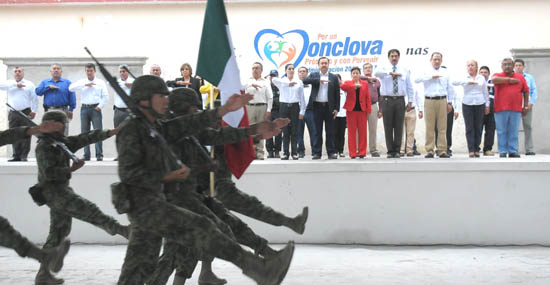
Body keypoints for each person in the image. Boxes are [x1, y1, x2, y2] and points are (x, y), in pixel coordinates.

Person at [114, 75, 294, 285]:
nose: (166, 100)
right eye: (160, 96)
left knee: (199, 234)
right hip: (146, 206)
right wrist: (167, 176)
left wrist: (228, 113)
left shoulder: (157, 127)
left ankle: (260, 269)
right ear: (144, 99)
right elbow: (129, 174)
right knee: (144, 266)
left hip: (163, 202)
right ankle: (260, 269)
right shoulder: (132, 129)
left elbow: (192, 125)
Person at [31, 110, 129, 283]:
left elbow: (86, 137)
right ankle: (121, 230)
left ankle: (43, 274)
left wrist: (109, 133)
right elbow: (49, 173)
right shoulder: (44, 146)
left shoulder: (61, 142)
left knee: (58, 232)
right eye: (63, 123)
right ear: (53, 124)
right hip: (53, 192)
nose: (65, 127)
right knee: (88, 209)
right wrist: (70, 170)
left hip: (61, 190)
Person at [415, 52, 456, 158]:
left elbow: (450, 88)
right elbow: (416, 79)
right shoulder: (426, 71)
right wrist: (430, 76)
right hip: (429, 101)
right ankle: (429, 150)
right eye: (435, 59)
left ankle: (442, 150)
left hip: (442, 100)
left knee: (442, 127)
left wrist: (450, 102)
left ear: (441, 61)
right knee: (430, 127)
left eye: (438, 59)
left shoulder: (446, 72)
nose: (437, 61)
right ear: (431, 60)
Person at [375, 49, 414, 158]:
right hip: (387, 100)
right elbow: (376, 73)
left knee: (398, 126)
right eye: (392, 56)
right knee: (388, 126)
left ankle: (397, 150)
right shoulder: (383, 69)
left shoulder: (404, 70)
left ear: (399, 57)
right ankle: (390, 150)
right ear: (388, 57)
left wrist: (410, 101)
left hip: (400, 100)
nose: (394, 58)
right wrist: (389, 73)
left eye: (396, 56)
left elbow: (409, 86)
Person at [69, 63, 109, 161]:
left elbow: (105, 96)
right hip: (84, 109)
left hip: (95, 108)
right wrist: (84, 84)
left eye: (91, 70)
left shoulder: (100, 82)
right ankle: (86, 155)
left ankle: (99, 154)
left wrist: (100, 106)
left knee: (98, 132)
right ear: (85, 71)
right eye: (87, 71)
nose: (89, 72)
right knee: (85, 133)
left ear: (94, 71)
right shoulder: (82, 81)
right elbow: (70, 88)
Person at [303, 57, 341, 160]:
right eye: (322, 63)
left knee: (330, 131)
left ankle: (331, 152)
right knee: (316, 131)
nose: (324, 65)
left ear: (328, 64)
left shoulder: (333, 77)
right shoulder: (314, 75)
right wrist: (318, 80)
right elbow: (305, 80)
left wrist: (337, 108)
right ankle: (316, 153)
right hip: (316, 107)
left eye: (325, 63)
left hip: (329, 107)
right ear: (318, 65)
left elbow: (337, 94)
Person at [491, 58, 530, 158]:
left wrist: (525, 106)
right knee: (501, 130)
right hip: (500, 108)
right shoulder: (498, 75)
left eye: (509, 64)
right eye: (505, 64)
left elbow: (526, 91)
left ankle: (513, 151)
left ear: (513, 66)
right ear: (501, 66)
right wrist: (509, 80)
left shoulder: (520, 77)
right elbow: (493, 80)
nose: (507, 66)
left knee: (513, 130)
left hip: (516, 108)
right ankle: (503, 151)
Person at [452, 60, 490, 157]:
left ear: (476, 67)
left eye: (472, 65)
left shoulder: (481, 78)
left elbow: (485, 92)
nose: (470, 67)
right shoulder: (464, 77)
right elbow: (454, 82)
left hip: (480, 103)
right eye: (468, 65)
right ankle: (471, 149)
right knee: (469, 128)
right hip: (467, 103)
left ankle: (477, 148)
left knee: (478, 127)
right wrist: (466, 82)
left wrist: (487, 105)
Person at [0, 66, 38, 162]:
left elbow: (34, 99)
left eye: (19, 71)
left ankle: (24, 155)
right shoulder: (9, 83)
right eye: (15, 71)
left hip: (25, 111)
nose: (17, 73)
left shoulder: (29, 84)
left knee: (26, 133)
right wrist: (16, 86)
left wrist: (34, 110)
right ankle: (16, 155)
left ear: (23, 73)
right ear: (13, 74)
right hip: (13, 112)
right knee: (13, 134)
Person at [272, 64, 306, 160]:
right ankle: (286, 152)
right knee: (285, 131)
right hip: (284, 107)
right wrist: (287, 84)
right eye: (289, 69)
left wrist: (302, 111)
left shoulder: (299, 82)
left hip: (295, 106)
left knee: (294, 130)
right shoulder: (282, 81)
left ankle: (294, 152)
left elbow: (302, 98)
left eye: (292, 69)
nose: (291, 70)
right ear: (286, 71)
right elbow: (273, 80)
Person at [35, 64, 76, 135]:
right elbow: (38, 92)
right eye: (54, 69)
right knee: (49, 134)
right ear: (50, 71)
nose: (56, 70)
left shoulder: (67, 82)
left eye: (58, 69)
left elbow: (72, 96)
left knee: (63, 134)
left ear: (61, 71)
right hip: (49, 111)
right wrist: (48, 87)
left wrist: (71, 110)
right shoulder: (45, 82)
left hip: (63, 111)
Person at [243, 62, 273, 160]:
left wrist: (269, 109)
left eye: (257, 68)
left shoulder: (265, 82)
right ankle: (252, 152)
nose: (254, 70)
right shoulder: (247, 80)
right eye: (253, 68)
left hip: (262, 107)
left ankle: (260, 152)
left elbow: (270, 97)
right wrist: (251, 84)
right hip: (249, 107)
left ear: (261, 70)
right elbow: (240, 87)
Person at [340, 67, 371, 158]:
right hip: (351, 111)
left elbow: (367, 97)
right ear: (351, 75)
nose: (355, 75)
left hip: (362, 111)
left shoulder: (365, 84)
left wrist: (368, 109)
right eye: (353, 73)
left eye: (357, 73)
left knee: (362, 132)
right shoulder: (348, 83)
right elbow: (342, 87)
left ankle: (362, 152)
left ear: (360, 74)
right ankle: (352, 153)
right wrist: (354, 86)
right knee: (351, 132)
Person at [514, 59, 537, 155]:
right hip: (515, 105)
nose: (518, 67)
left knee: (527, 126)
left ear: (523, 67)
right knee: (514, 128)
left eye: (520, 65)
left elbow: (534, 90)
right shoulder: (512, 77)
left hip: (526, 104)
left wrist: (531, 103)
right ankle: (514, 149)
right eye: (516, 65)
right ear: (514, 67)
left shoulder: (529, 77)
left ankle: (529, 149)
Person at [361, 63, 382, 157]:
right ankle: (361, 150)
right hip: (361, 107)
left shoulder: (377, 81)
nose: (368, 69)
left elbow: (380, 96)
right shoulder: (359, 79)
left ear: (372, 70)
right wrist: (368, 79)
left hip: (373, 106)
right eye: (365, 68)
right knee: (361, 129)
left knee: (373, 129)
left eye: (369, 68)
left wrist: (381, 109)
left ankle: (373, 149)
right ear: (363, 70)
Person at [296, 66, 317, 158]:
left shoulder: (312, 85)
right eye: (300, 71)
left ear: (307, 73)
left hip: (310, 111)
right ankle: (301, 151)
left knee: (313, 132)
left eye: (304, 71)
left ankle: (315, 151)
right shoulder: (295, 84)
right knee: (298, 133)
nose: (302, 73)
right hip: (298, 111)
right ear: (298, 74)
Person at [401, 86, 423, 157]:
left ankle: (409, 150)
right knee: (400, 132)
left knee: (410, 132)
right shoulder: (401, 87)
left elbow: (418, 98)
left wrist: (420, 110)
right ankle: (401, 150)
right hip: (401, 110)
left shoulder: (414, 87)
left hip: (412, 110)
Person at [479, 66, 496, 156]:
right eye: (481, 72)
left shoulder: (493, 82)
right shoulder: (476, 82)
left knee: (490, 128)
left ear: (489, 74)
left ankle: (487, 149)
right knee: (478, 128)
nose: (483, 74)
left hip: (492, 105)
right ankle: (476, 148)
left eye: (485, 72)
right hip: (479, 105)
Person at [266, 69, 282, 158]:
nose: (273, 78)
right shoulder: (266, 86)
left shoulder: (280, 86)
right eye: (271, 76)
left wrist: (274, 101)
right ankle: (270, 151)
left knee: (278, 132)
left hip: (278, 111)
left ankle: (277, 151)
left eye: (274, 76)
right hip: (269, 111)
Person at [334, 74, 347, 157]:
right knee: (334, 133)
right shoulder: (331, 90)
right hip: (334, 115)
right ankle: (334, 150)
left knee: (342, 134)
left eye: (338, 79)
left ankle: (341, 150)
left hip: (344, 114)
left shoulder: (344, 90)